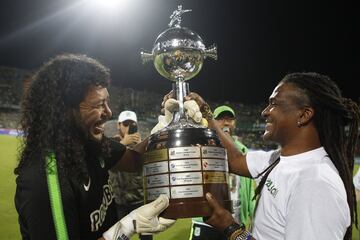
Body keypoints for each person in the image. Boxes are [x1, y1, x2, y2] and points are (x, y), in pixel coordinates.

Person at [14, 53, 175, 240]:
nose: (109, 112)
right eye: (99, 104)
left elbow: (135, 161)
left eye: (107, 101)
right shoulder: (44, 182)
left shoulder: (90, 143)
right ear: (64, 112)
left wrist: (166, 126)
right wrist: (125, 228)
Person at [187, 72, 360, 239]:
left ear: (304, 114)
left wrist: (230, 228)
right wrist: (205, 113)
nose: (265, 112)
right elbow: (235, 160)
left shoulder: (316, 183)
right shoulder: (278, 159)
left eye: (274, 104)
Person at [189, 105, 255, 240]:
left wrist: (252, 213)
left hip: (235, 222)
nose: (226, 123)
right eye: (221, 119)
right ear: (212, 122)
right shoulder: (201, 146)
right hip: (207, 221)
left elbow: (250, 188)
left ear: (234, 123)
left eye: (230, 119)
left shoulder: (243, 151)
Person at [109, 110, 149, 240]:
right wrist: (123, 144)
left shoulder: (142, 145)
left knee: (146, 237)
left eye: (132, 125)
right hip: (120, 202)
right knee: (121, 238)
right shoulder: (111, 143)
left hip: (140, 200)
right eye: (125, 124)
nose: (127, 128)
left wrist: (140, 147)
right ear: (118, 125)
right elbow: (106, 163)